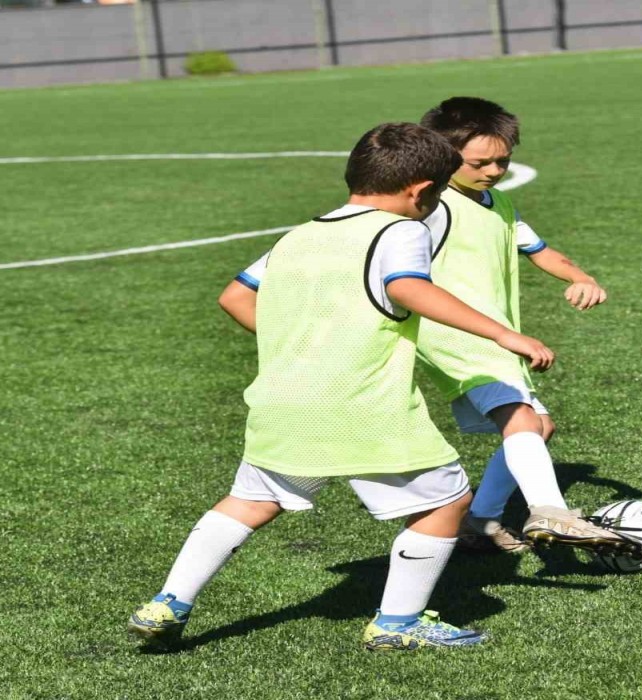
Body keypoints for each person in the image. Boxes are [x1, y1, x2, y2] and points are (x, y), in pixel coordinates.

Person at [127, 123, 554, 650]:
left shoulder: (298, 235)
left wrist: (300, 344)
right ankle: (397, 624)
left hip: (283, 403)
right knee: (447, 503)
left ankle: (167, 603)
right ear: (422, 191)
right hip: (363, 405)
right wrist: (503, 333)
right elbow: (407, 287)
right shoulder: (401, 230)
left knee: (249, 500)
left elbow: (234, 296)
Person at [416, 97, 630, 555]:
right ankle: (550, 510)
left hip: (491, 333)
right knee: (519, 418)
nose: (494, 170)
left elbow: (539, 250)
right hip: (453, 332)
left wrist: (581, 277)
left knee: (540, 426)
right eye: (479, 162)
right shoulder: (432, 205)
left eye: (503, 160)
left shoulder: (499, 202)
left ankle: (478, 518)